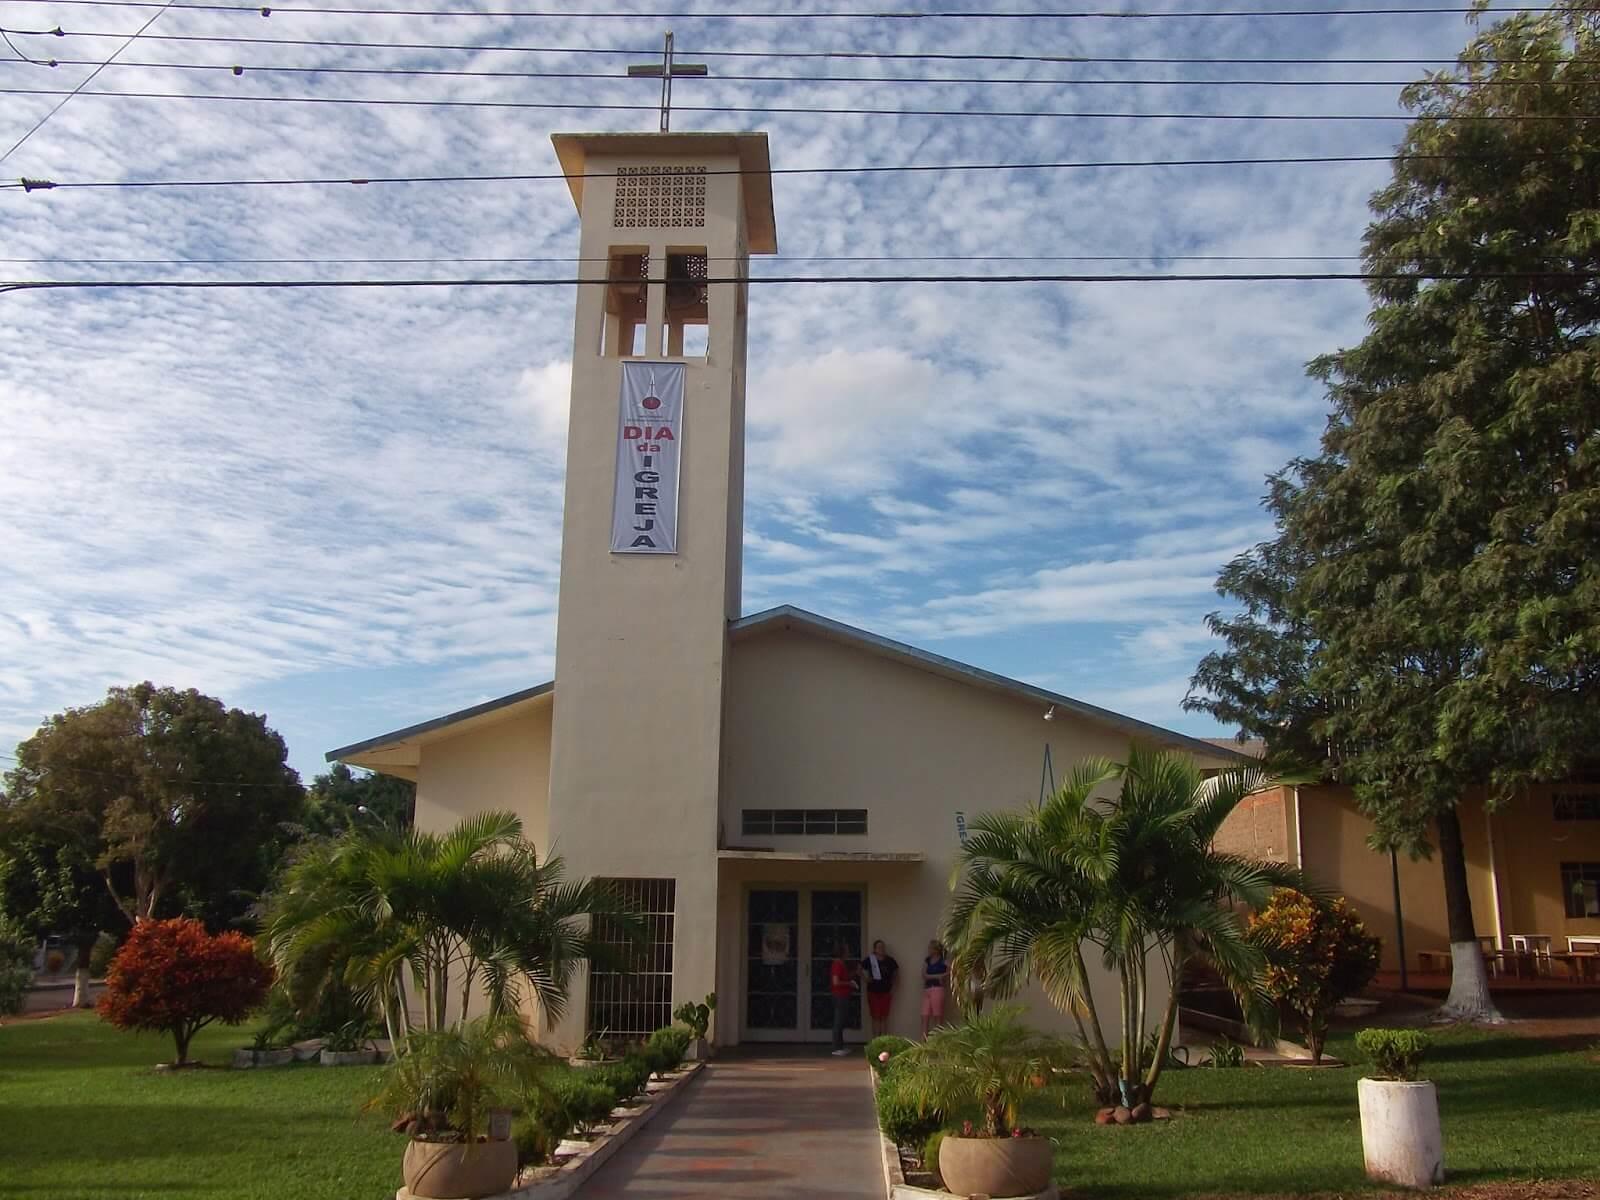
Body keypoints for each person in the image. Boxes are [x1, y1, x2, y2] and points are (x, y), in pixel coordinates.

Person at [860, 939, 899, 1038]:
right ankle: (876, 1039)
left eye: (882, 947)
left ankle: (884, 1039)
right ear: (875, 949)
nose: (881, 949)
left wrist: (893, 986)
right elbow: (859, 968)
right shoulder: (870, 959)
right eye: (879, 947)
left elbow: (896, 973)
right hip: (873, 991)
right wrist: (866, 979)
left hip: (886, 991)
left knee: (884, 1017)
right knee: (875, 1017)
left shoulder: (890, 960)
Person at [829, 941, 857, 1056]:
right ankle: (836, 1047)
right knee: (838, 1021)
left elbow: (843, 977)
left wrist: (854, 974)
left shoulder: (841, 964)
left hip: (843, 995)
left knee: (841, 1021)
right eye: (847, 950)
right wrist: (849, 983)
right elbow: (836, 982)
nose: (848, 952)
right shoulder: (837, 964)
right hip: (839, 996)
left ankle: (840, 1046)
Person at [921, 939, 950, 1039]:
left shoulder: (943, 960)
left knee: (937, 1016)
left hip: (938, 989)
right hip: (928, 989)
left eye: (930, 948)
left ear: (936, 950)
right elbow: (924, 974)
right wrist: (937, 976)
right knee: (925, 1016)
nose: (928, 950)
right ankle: (923, 1041)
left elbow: (950, 972)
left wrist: (940, 976)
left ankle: (937, 1040)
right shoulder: (927, 960)